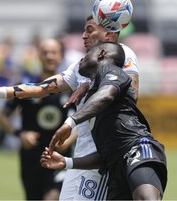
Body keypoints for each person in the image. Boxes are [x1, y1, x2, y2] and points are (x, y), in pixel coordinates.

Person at [0, 15, 139, 200]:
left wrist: (71, 124)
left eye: (90, 30)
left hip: (102, 155)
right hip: (74, 157)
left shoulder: (124, 54)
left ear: (109, 34)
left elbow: (130, 95)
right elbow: (40, 88)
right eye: (84, 30)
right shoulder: (80, 68)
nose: (83, 36)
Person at [44, 42, 167, 200]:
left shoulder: (111, 71)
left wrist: (70, 122)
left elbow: (106, 95)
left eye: (86, 55)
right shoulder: (92, 97)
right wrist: (66, 162)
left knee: (146, 198)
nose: (81, 60)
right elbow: (105, 155)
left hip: (138, 149)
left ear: (101, 54)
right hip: (115, 169)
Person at [0, 38, 75, 200]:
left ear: (61, 56)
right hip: (31, 157)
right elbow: (3, 117)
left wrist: (68, 141)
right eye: (45, 52)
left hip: (59, 156)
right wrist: (20, 134)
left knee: (52, 196)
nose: (49, 56)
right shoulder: (27, 86)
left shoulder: (71, 89)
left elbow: (82, 121)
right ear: (38, 56)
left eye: (53, 52)